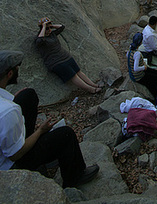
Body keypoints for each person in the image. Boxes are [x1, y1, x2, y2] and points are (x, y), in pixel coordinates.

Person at [0, 50, 99, 188]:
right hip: (11, 164)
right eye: (16, 68)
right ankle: (74, 177)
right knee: (66, 135)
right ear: (9, 74)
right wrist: (40, 131)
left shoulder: (6, 105)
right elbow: (15, 154)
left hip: (7, 144)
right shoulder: (8, 111)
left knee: (28, 96)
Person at [35, 17, 101, 93]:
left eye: (49, 28)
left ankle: (94, 85)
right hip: (56, 62)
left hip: (65, 57)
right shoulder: (40, 39)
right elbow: (39, 40)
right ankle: (91, 90)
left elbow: (62, 27)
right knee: (73, 76)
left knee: (78, 72)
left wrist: (51, 26)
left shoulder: (52, 34)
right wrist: (44, 27)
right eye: (47, 28)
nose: (49, 30)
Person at [127, 33, 157, 101]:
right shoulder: (137, 54)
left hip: (133, 73)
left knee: (156, 72)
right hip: (138, 76)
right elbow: (136, 68)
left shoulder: (130, 48)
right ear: (140, 43)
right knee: (152, 82)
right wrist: (144, 67)